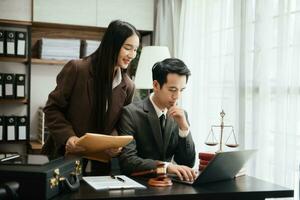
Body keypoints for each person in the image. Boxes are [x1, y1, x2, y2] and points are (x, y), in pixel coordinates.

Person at [41, 20, 140, 175]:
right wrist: (69, 138)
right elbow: (52, 109)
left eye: (135, 50)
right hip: (64, 158)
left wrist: (114, 143)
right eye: (128, 48)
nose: (132, 55)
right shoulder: (77, 69)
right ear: (112, 45)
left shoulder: (128, 86)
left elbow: (120, 123)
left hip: (100, 165)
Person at [118, 58, 197, 182]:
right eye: (172, 90)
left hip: (171, 187)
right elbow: (128, 162)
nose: (177, 97)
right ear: (155, 85)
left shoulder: (182, 115)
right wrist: (165, 167)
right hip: (139, 186)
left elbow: (187, 163)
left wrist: (184, 129)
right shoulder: (130, 113)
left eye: (181, 90)